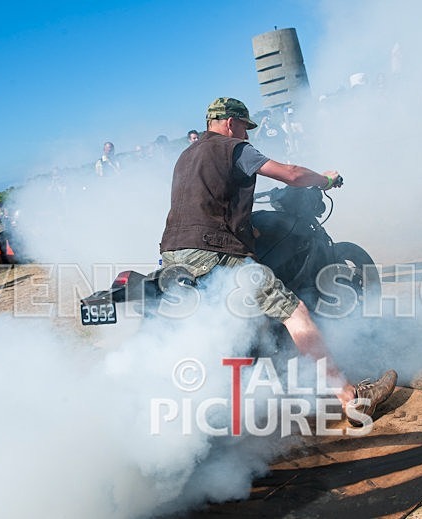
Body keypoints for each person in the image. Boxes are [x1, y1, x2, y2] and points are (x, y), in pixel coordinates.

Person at [160, 97, 398, 426]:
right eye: (244, 127)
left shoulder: (187, 156)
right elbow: (291, 174)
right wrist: (325, 179)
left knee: (235, 320)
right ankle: (351, 399)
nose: (247, 135)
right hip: (211, 252)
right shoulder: (233, 149)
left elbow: (206, 204)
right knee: (293, 310)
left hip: (172, 253)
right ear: (230, 123)